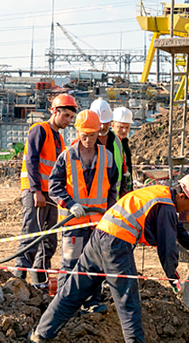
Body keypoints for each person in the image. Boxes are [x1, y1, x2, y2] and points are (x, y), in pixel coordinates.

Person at [28, 174, 189, 343]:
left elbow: (175, 227)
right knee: (127, 300)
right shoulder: (166, 205)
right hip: (117, 244)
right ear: (182, 196)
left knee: (74, 289)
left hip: (100, 235)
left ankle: (41, 333)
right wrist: (174, 279)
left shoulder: (159, 195)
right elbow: (167, 247)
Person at [48, 109, 118, 315]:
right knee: (71, 262)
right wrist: (69, 204)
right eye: (84, 135)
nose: (88, 140)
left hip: (98, 222)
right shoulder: (67, 156)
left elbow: (113, 187)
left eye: (92, 136)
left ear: (99, 133)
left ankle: (92, 301)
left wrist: (110, 211)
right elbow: (54, 186)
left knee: (95, 263)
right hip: (74, 222)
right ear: (77, 132)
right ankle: (63, 303)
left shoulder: (107, 157)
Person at [15, 94, 77, 285]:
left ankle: (39, 281)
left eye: (70, 118)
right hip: (36, 193)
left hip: (51, 195)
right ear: (54, 111)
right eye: (65, 116)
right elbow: (31, 161)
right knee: (32, 234)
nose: (68, 121)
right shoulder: (39, 130)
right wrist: (36, 191)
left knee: (49, 239)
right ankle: (18, 279)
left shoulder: (58, 137)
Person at [90, 99, 129, 196]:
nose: (103, 126)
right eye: (100, 122)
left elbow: (122, 170)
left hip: (114, 199)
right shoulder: (85, 142)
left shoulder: (117, 141)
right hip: (94, 201)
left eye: (106, 122)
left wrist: (124, 193)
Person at [112, 106, 134, 195]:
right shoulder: (110, 143)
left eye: (127, 127)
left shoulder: (124, 142)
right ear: (112, 125)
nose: (124, 130)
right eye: (120, 127)